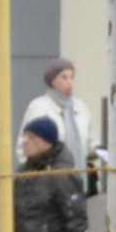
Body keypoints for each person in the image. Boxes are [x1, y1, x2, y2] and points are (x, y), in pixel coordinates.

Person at [22, 56, 93, 187]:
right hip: (48, 180)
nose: (69, 81)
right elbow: (26, 144)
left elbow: (90, 142)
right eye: (64, 77)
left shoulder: (81, 107)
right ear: (52, 81)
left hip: (79, 178)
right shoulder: (39, 106)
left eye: (72, 77)